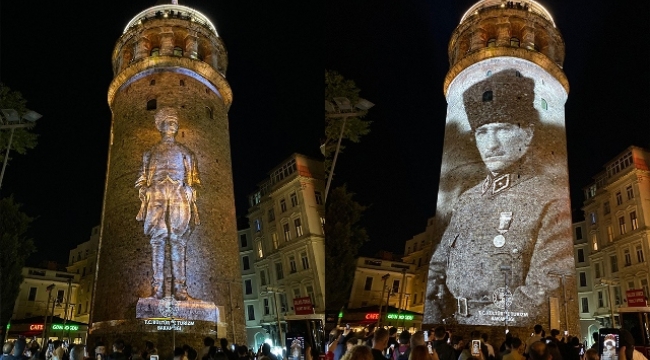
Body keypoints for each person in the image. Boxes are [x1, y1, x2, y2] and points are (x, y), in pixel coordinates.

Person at [424, 69, 574, 326]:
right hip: (453, 325)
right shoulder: (467, 199)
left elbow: (542, 285)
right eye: (482, 132)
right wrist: (435, 319)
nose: (490, 144)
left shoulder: (549, 198)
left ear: (527, 134)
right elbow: (437, 266)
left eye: (503, 129)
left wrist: (475, 325)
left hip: (507, 330)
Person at [136, 106, 201, 300]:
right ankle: (158, 288)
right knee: (157, 239)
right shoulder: (150, 153)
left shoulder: (186, 153)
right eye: (168, 122)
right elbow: (141, 177)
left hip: (178, 192)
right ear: (161, 126)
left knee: (178, 240)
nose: (172, 124)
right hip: (156, 192)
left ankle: (180, 288)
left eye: (174, 122)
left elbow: (194, 178)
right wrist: (143, 189)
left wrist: (191, 188)